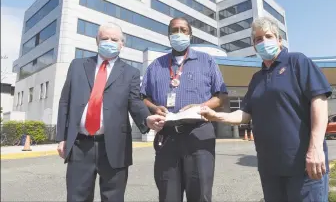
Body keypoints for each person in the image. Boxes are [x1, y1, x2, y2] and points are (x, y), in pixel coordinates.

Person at [199, 16, 332, 202]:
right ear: (254, 47)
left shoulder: (297, 62)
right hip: (270, 169)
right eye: (258, 39)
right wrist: (215, 116)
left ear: (279, 40)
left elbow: (319, 101)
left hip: (304, 165)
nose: (263, 42)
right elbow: (245, 114)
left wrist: (316, 148)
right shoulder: (257, 79)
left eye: (268, 36)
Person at [56, 22, 165, 202]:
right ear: (97, 40)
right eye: (105, 38)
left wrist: (147, 119)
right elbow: (64, 102)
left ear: (122, 44)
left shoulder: (130, 72)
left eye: (114, 39)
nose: (109, 42)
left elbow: (135, 101)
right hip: (80, 145)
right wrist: (62, 137)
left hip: (115, 146)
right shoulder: (77, 65)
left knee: (113, 198)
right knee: (77, 198)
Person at [140, 17, 228, 202]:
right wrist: (155, 108)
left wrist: (200, 107)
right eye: (174, 30)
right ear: (168, 35)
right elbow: (143, 97)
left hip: (199, 135)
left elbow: (221, 96)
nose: (179, 34)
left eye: (183, 30)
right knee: (168, 195)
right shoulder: (156, 66)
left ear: (190, 35)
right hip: (167, 136)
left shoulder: (207, 61)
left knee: (200, 194)